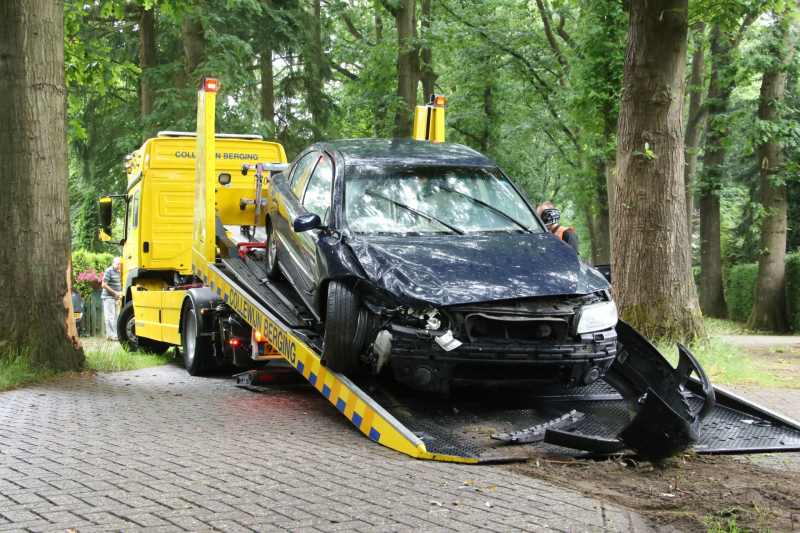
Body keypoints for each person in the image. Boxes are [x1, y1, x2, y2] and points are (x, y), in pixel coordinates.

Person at [101, 257, 122, 341]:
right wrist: (115, 293)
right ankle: (111, 335)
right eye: (117, 264)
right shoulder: (108, 271)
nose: (119, 266)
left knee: (117, 316)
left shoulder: (120, 272)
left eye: (120, 264)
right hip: (109, 297)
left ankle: (116, 334)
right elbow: (104, 285)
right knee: (110, 317)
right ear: (113, 263)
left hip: (117, 298)